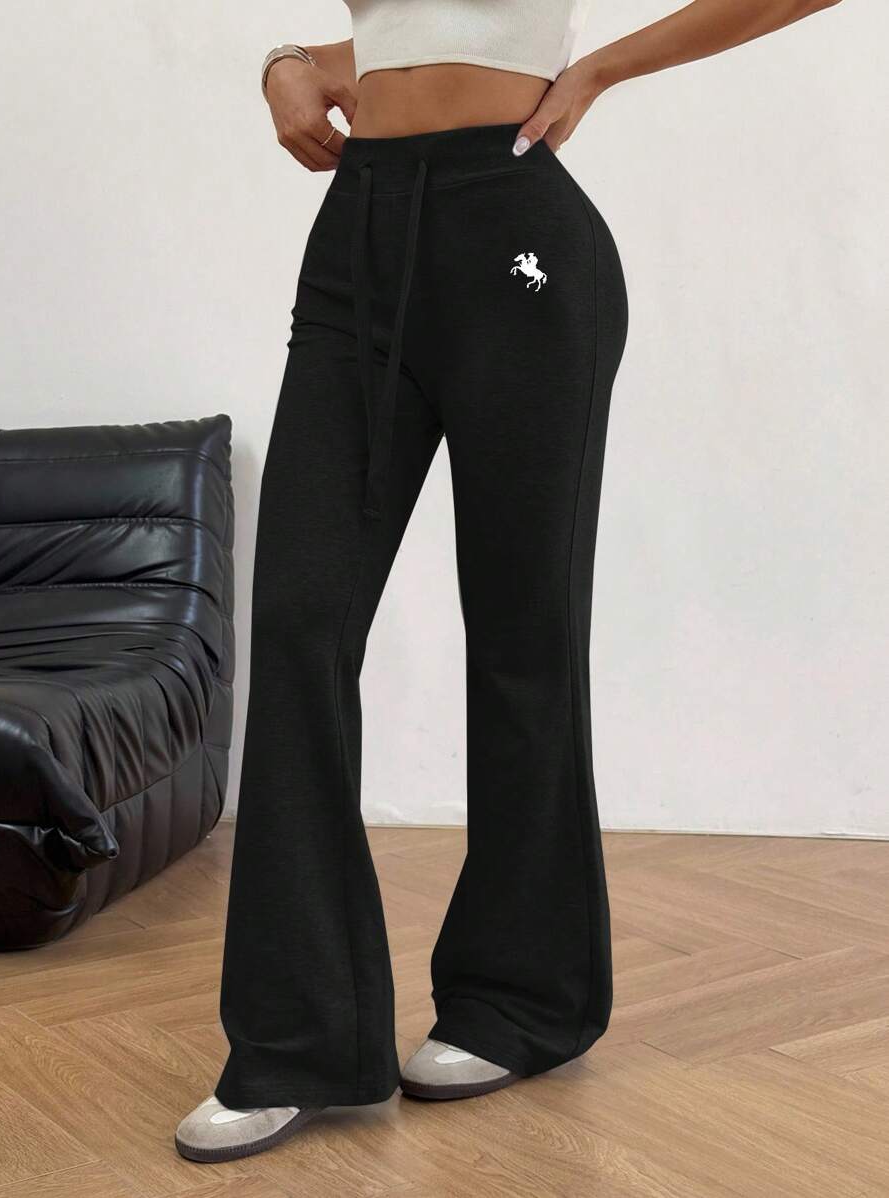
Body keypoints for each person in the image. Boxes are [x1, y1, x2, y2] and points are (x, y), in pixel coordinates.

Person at [176, 0, 844, 1164]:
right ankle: (297, 1038)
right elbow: (413, 31)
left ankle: (523, 999)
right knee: (295, 622)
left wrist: (601, 70)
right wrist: (286, 65)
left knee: (523, 634)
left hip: (519, 244)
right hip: (360, 240)